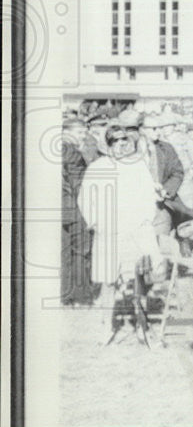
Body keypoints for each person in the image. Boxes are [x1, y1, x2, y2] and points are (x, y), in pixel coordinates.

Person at [78, 126, 162, 293]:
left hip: (137, 228)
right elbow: (85, 198)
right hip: (108, 229)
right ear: (108, 145)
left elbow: (148, 194)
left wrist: (146, 219)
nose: (121, 144)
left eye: (124, 139)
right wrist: (95, 222)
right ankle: (106, 319)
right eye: (115, 141)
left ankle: (139, 314)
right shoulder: (97, 167)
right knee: (108, 278)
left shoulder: (138, 165)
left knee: (141, 275)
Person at [61, 118, 96, 305]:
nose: (84, 136)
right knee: (82, 250)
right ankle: (81, 296)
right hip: (73, 207)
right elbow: (78, 184)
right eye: (81, 132)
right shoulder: (72, 152)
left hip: (61, 208)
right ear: (69, 131)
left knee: (64, 253)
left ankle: (65, 296)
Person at [140, 113, 193, 232]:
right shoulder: (132, 150)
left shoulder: (166, 148)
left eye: (160, 128)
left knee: (162, 240)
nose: (158, 131)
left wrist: (165, 190)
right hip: (138, 205)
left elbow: (177, 172)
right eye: (154, 128)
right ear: (142, 130)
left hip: (162, 205)